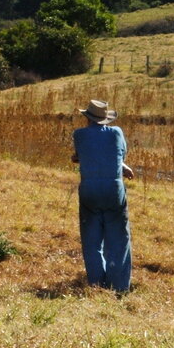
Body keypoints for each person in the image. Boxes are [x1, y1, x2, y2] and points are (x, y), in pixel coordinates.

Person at [71, 99, 134, 293]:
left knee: (91, 239)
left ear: (87, 118)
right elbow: (119, 155)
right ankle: (119, 286)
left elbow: (80, 156)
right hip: (113, 189)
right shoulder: (116, 133)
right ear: (106, 119)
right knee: (118, 239)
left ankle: (97, 284)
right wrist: (122, 167)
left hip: (89, 189)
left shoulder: (79, 134)